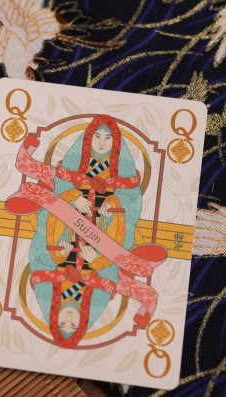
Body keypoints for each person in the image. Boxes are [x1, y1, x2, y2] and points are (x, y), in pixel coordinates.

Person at [28, 114, 142, 348]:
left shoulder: (123, 173)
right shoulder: (74, 163)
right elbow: (43, 241)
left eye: (107, 138)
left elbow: (130, 203)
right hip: (71, 228)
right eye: (97, 137)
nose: (101, 143)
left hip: (104, 225)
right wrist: (72, 198)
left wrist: (112, 207)